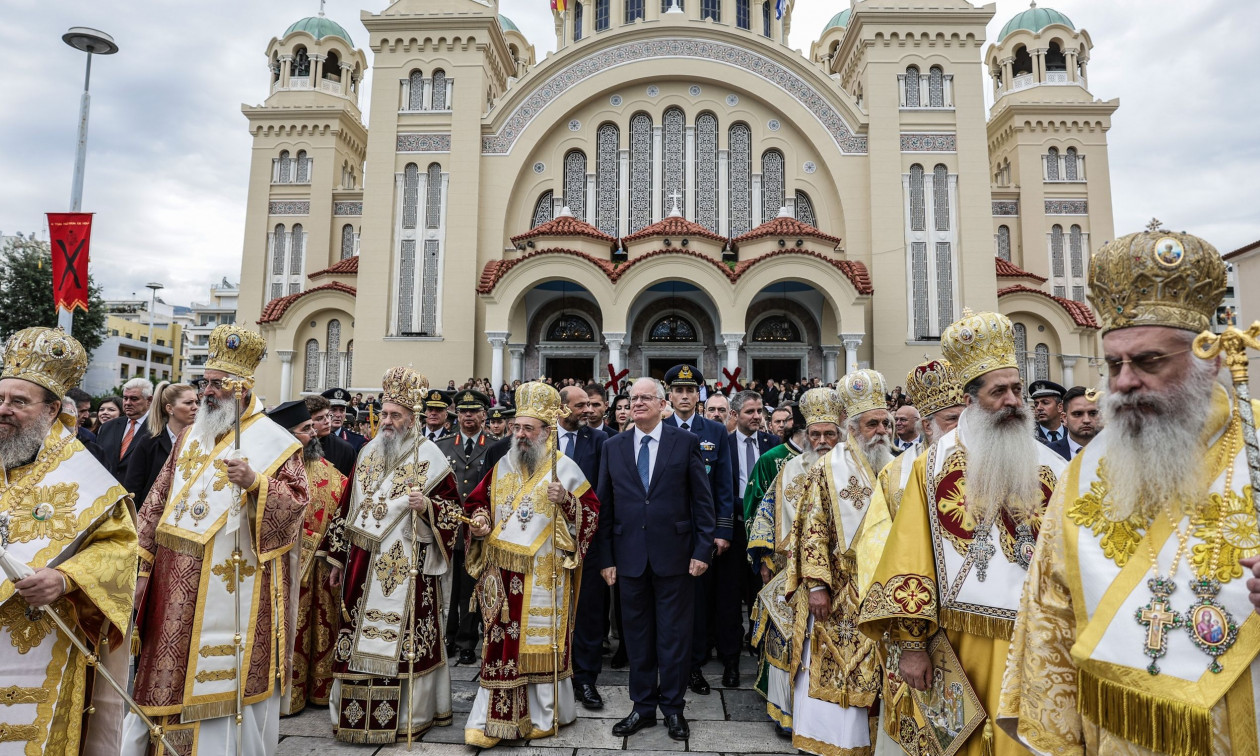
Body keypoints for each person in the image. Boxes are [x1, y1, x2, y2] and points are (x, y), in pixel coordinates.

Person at [999, 228, 1255, 752]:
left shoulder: (1253, 451)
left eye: (1149, 361)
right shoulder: (1084, 474)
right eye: (1114, 364)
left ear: (1211, 362)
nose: (1124, 382)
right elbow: (1050, 616)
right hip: (1111, 732)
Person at [857, 310, 1067, 756]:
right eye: (999, 391)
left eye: (1017, 389)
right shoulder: (929, 468)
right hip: (960, 642)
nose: (1013, 400)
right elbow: (909, 561)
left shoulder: (1056, 467)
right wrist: (912, 645)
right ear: (972, 400)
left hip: (1039, 642)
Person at [126, 325, 309, 756]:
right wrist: (141, 562)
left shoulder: (277, 444)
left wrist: (257, 484)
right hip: (172, 586)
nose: (205, 392)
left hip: (234, 586)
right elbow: (157, 500)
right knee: (163, 676)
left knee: (222, 683)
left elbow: (297, 506)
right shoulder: (191, 435)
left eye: (215, 384)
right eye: (203, 382)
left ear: (241, 388)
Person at [0, 327, 137, 756]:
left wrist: (63, 579)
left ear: (52, 409)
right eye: (0, 398)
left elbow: (120, 549)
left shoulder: (85, 477)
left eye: (19, 402)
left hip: (42, 636)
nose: (4, 410)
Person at [324, 367, 463, 744]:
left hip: (411, 565)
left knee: (405, 643)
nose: (387, 421)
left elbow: (453, 512)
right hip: (362, 566)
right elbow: (345, 508)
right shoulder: (367, 452)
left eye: (395, 415)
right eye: (384, 414)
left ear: (411, 419)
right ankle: (355, 716)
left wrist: (428, 508)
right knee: (357, 639)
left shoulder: (431, 457)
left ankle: (408, 716)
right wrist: (337, 559)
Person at [461, 382, 602, 745]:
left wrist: (567, 501)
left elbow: (592, 515)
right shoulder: (502, 465)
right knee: (498, 643)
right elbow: (478, 503)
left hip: (544, 574)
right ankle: (489, 717)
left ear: (546, 431)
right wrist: (479, 522)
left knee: (538, 647)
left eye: (529, 428)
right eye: (517, 427)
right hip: (503, 575)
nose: (520, 435)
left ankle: (546, 713)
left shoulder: (565, 469)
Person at [595, 377, 716, 741]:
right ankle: (642, 707)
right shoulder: (613, 446)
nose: (638, 404)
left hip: (676, 557)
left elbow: (702, 501)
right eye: (633, 398)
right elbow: (605, 506)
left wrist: (701, 549)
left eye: (646, 398)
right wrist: (606, 558)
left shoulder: (686, 442)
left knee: (674, 637)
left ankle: (674, 709)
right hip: (629, 557)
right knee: (637, 636)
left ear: (663, 404)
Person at [853, 359, 964, 754]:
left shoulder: (991, 467)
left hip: (974, 623)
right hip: (914, 621)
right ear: (929, 424)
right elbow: (876, 554)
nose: (962, 428)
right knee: (912, 717)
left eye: (968, 417)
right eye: (953, 420)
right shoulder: (896, 475)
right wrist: (907, 635)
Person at [780, 371, 892, 756]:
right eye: (871, 423)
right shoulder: (827, 470)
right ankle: (833, 743)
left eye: (885, 423)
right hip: (838, 591)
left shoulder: (893, 466)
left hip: (882, 590)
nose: (880, 431)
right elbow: (812, 530)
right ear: (853, 427)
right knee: (836, 666)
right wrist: (816, 586)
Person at [747, 388, 841, 736]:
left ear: (839, 433)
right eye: (815, 434)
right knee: (789, 642)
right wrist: (768, 561)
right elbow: (767, 515)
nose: (822, 441)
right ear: (805, 435)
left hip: (842, 577)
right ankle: (786, 711)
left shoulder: (851, 470)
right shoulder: (788, 469)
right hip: (791, 574)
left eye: (829, 434)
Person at [266, 399, 349, 716]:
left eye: (313, 427)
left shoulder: (332, 473)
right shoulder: (267, 472)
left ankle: (318, 689)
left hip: (323, 571)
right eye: (305, 429)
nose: (314, 434)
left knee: (321, 630)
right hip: (280, 568)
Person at [662, 364, 734, 697]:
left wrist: (721, 531)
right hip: (667, 532)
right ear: (670, 394)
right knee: (667, 603)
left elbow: (723, 485)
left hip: (701, 533)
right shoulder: (658, 428)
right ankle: (668, 666)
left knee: (699, 605)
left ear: (699, 394)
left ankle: (694, 667)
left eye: (691, 390)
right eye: (679, 390)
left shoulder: (715, 432)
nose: (685, 396)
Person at [546, 386, 611, 710]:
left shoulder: (602, 443)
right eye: (579, 405)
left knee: (587, 615)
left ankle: (585, 679)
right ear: (560, 409)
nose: (587, 410)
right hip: (544, 546)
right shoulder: (541, 442)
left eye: (590, 404)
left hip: (589, 543)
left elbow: (603, 497)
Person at [435, 389, 494, 666]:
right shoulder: (443, 446)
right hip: (450, 528)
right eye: (463, 411)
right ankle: (448, 636)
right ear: (456, 415)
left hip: (479, 527)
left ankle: (467, 641)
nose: (468, 416)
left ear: (484, 414)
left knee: (471, 586)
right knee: (449, 586)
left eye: (473, 411)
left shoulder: (493, 445)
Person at [727, 388, 780, 674]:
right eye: (750, 412)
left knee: (761, 591)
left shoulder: (772, 443)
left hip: (765, 535)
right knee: (732, 596)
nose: (757, 417)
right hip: (734, 531)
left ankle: (761, 651)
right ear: (735, 415)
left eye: (759, 411)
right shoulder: (724, 444)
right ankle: (732, 661)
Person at [123, 382, 198, 506]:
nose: (195, 407)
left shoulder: (201, 440)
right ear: (170, 408)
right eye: (188, 403)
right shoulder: (149, 442)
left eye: (196, 402)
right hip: (153, 516)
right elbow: (133, 487)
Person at [97, 376, 153, 481]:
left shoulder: (158, 428)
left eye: (134, 399)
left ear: (149, 400)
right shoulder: (107, 427)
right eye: (125, 398)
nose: (127, 403)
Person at [306, 393, 357, 478]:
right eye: (319, 418)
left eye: (327, 416)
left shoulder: (345, 449)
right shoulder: (298, 447)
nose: (327, 421)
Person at [1057, 385, 1101, 457]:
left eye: (1092, 413)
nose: (1086, 420)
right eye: (1078, 414)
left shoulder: (1113, 450)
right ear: (1064, 418)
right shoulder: (1050, 452)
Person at [1028, 379, 1067, 446]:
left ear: (1060, 407)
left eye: (1045, 403)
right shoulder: (1029, 437)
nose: (1039, 408)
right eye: (1036, 404)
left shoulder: (1073, 436)